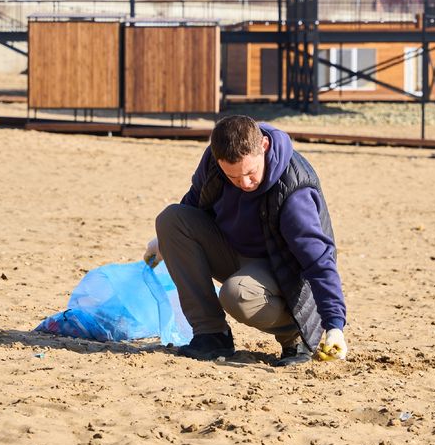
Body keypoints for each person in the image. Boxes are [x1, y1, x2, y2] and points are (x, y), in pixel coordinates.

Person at [144, 115, 347, 367]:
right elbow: (195, 203)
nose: (245, 183)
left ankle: (294, 336)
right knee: (171, 219)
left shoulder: (294, 191)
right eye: (234, 178)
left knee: (237, 295)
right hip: (235, 251)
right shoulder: (214, 162)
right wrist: (163, 242)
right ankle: (211, 335)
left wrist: (334, 326)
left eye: (250, 173)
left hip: (283, 270)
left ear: (263, 146)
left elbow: (319, 260)